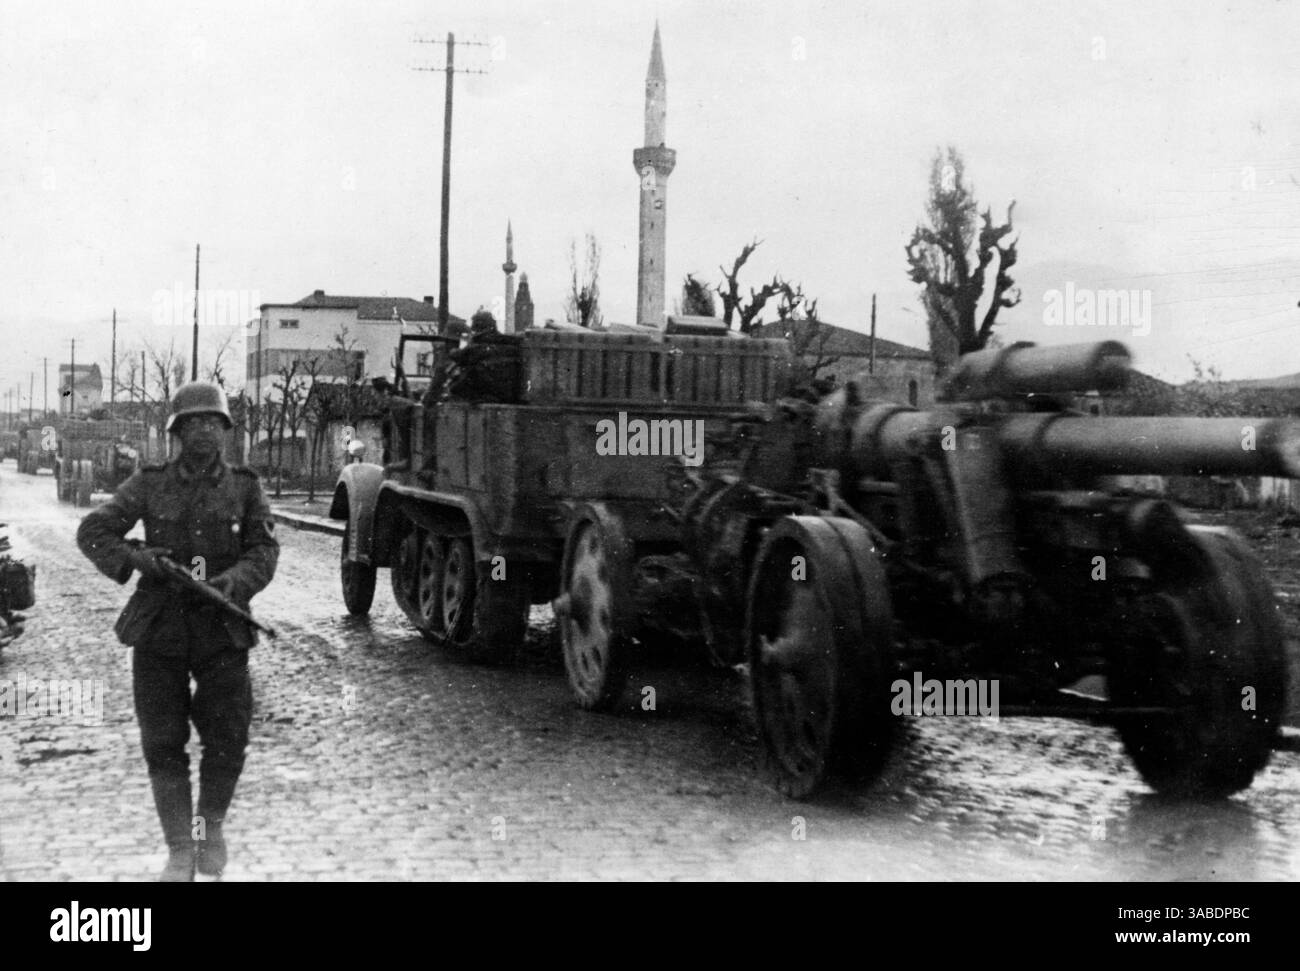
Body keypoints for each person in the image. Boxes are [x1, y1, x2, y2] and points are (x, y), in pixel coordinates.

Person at [76, 382, 279, 881]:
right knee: (163, 742)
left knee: (227, 737)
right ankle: (178, 850)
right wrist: (138, 560)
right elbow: (93, 532)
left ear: (225, 431)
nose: (204, 431)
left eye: (213, 423)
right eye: (193, 423)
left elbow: (264, 552)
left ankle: (209, 832)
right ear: (177, 432)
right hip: (160, 628)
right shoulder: (148, 484)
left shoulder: (246, 487)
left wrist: (233, 583)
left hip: (222, 631)